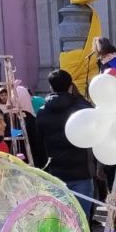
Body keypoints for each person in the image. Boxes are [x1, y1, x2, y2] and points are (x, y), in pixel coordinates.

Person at [37, 70, 95, 222]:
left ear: (51, 87)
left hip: (55, 173)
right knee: (82, 222)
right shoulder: (83, 108)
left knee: (60, 223)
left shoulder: (42, 113)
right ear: (70, 86)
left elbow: (39, 145)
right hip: (81, 172)